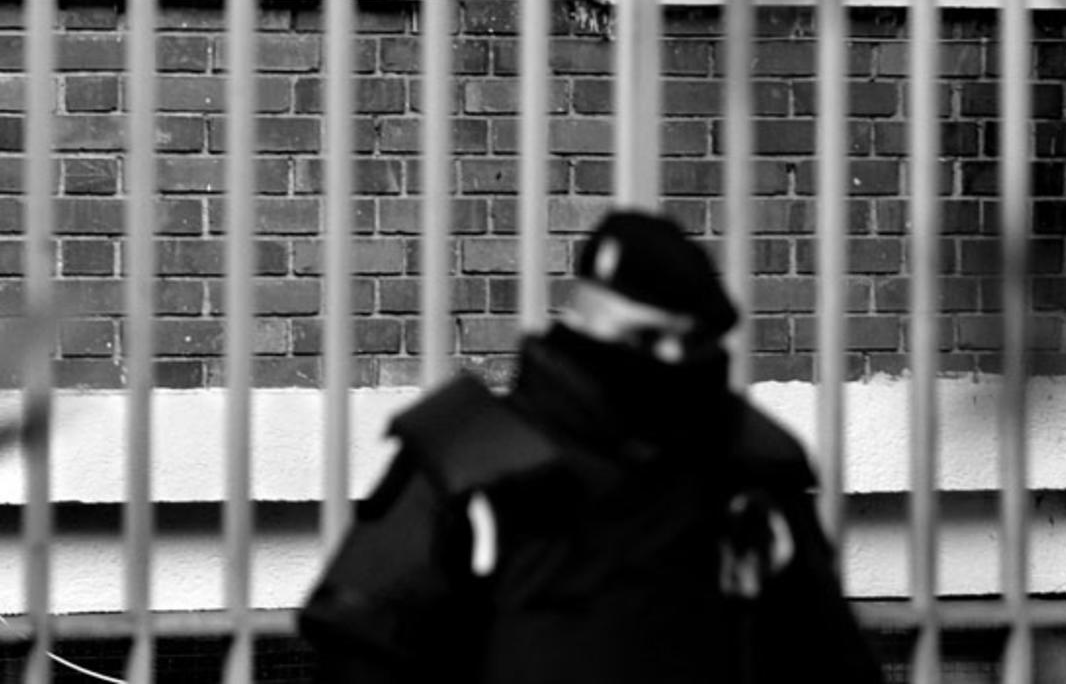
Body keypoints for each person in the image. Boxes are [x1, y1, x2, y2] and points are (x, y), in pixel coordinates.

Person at [299, 209, 882, 684]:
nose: (665, 363)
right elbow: (363, 648)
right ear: (579, 322)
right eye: (642, 338)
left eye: (684, 342)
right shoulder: (474, 463)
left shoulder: (747, 473)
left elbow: (825, 656)